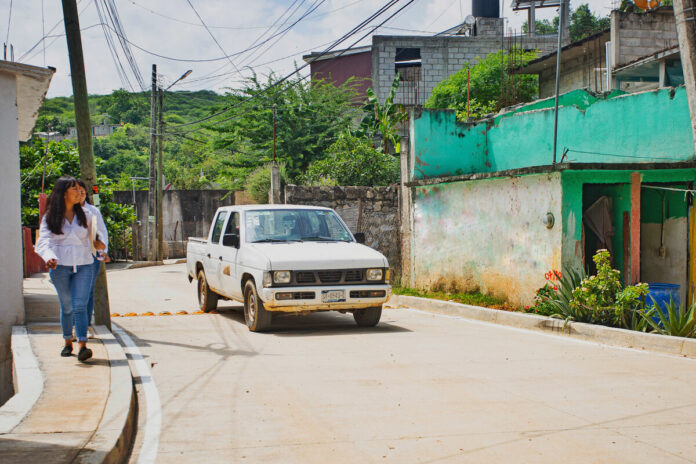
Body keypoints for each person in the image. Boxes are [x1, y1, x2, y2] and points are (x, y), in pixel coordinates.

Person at [35, 176, 104, 362]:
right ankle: (67, 341)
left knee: (80, 305)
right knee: (67, 307)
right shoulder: (51, 217)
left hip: (84, 265)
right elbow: (44, 241)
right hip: (60, 267)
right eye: (74, 189)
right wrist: (49, 257)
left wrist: (100, 245)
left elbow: (97, 237)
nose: (78, 192)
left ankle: (82, 345)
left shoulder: (88, 214)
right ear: (63, 193)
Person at [76, 180, 109, 327]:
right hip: (71, 256)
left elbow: (101, 232)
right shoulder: (64, 212)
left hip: (91, 255)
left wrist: (102, 251)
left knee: (87, 291)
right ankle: (72, 325)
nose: (79, 195)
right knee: (72, 294)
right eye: (76, 192)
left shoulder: (93, 211)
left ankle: (85, 324)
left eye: (82, 192)